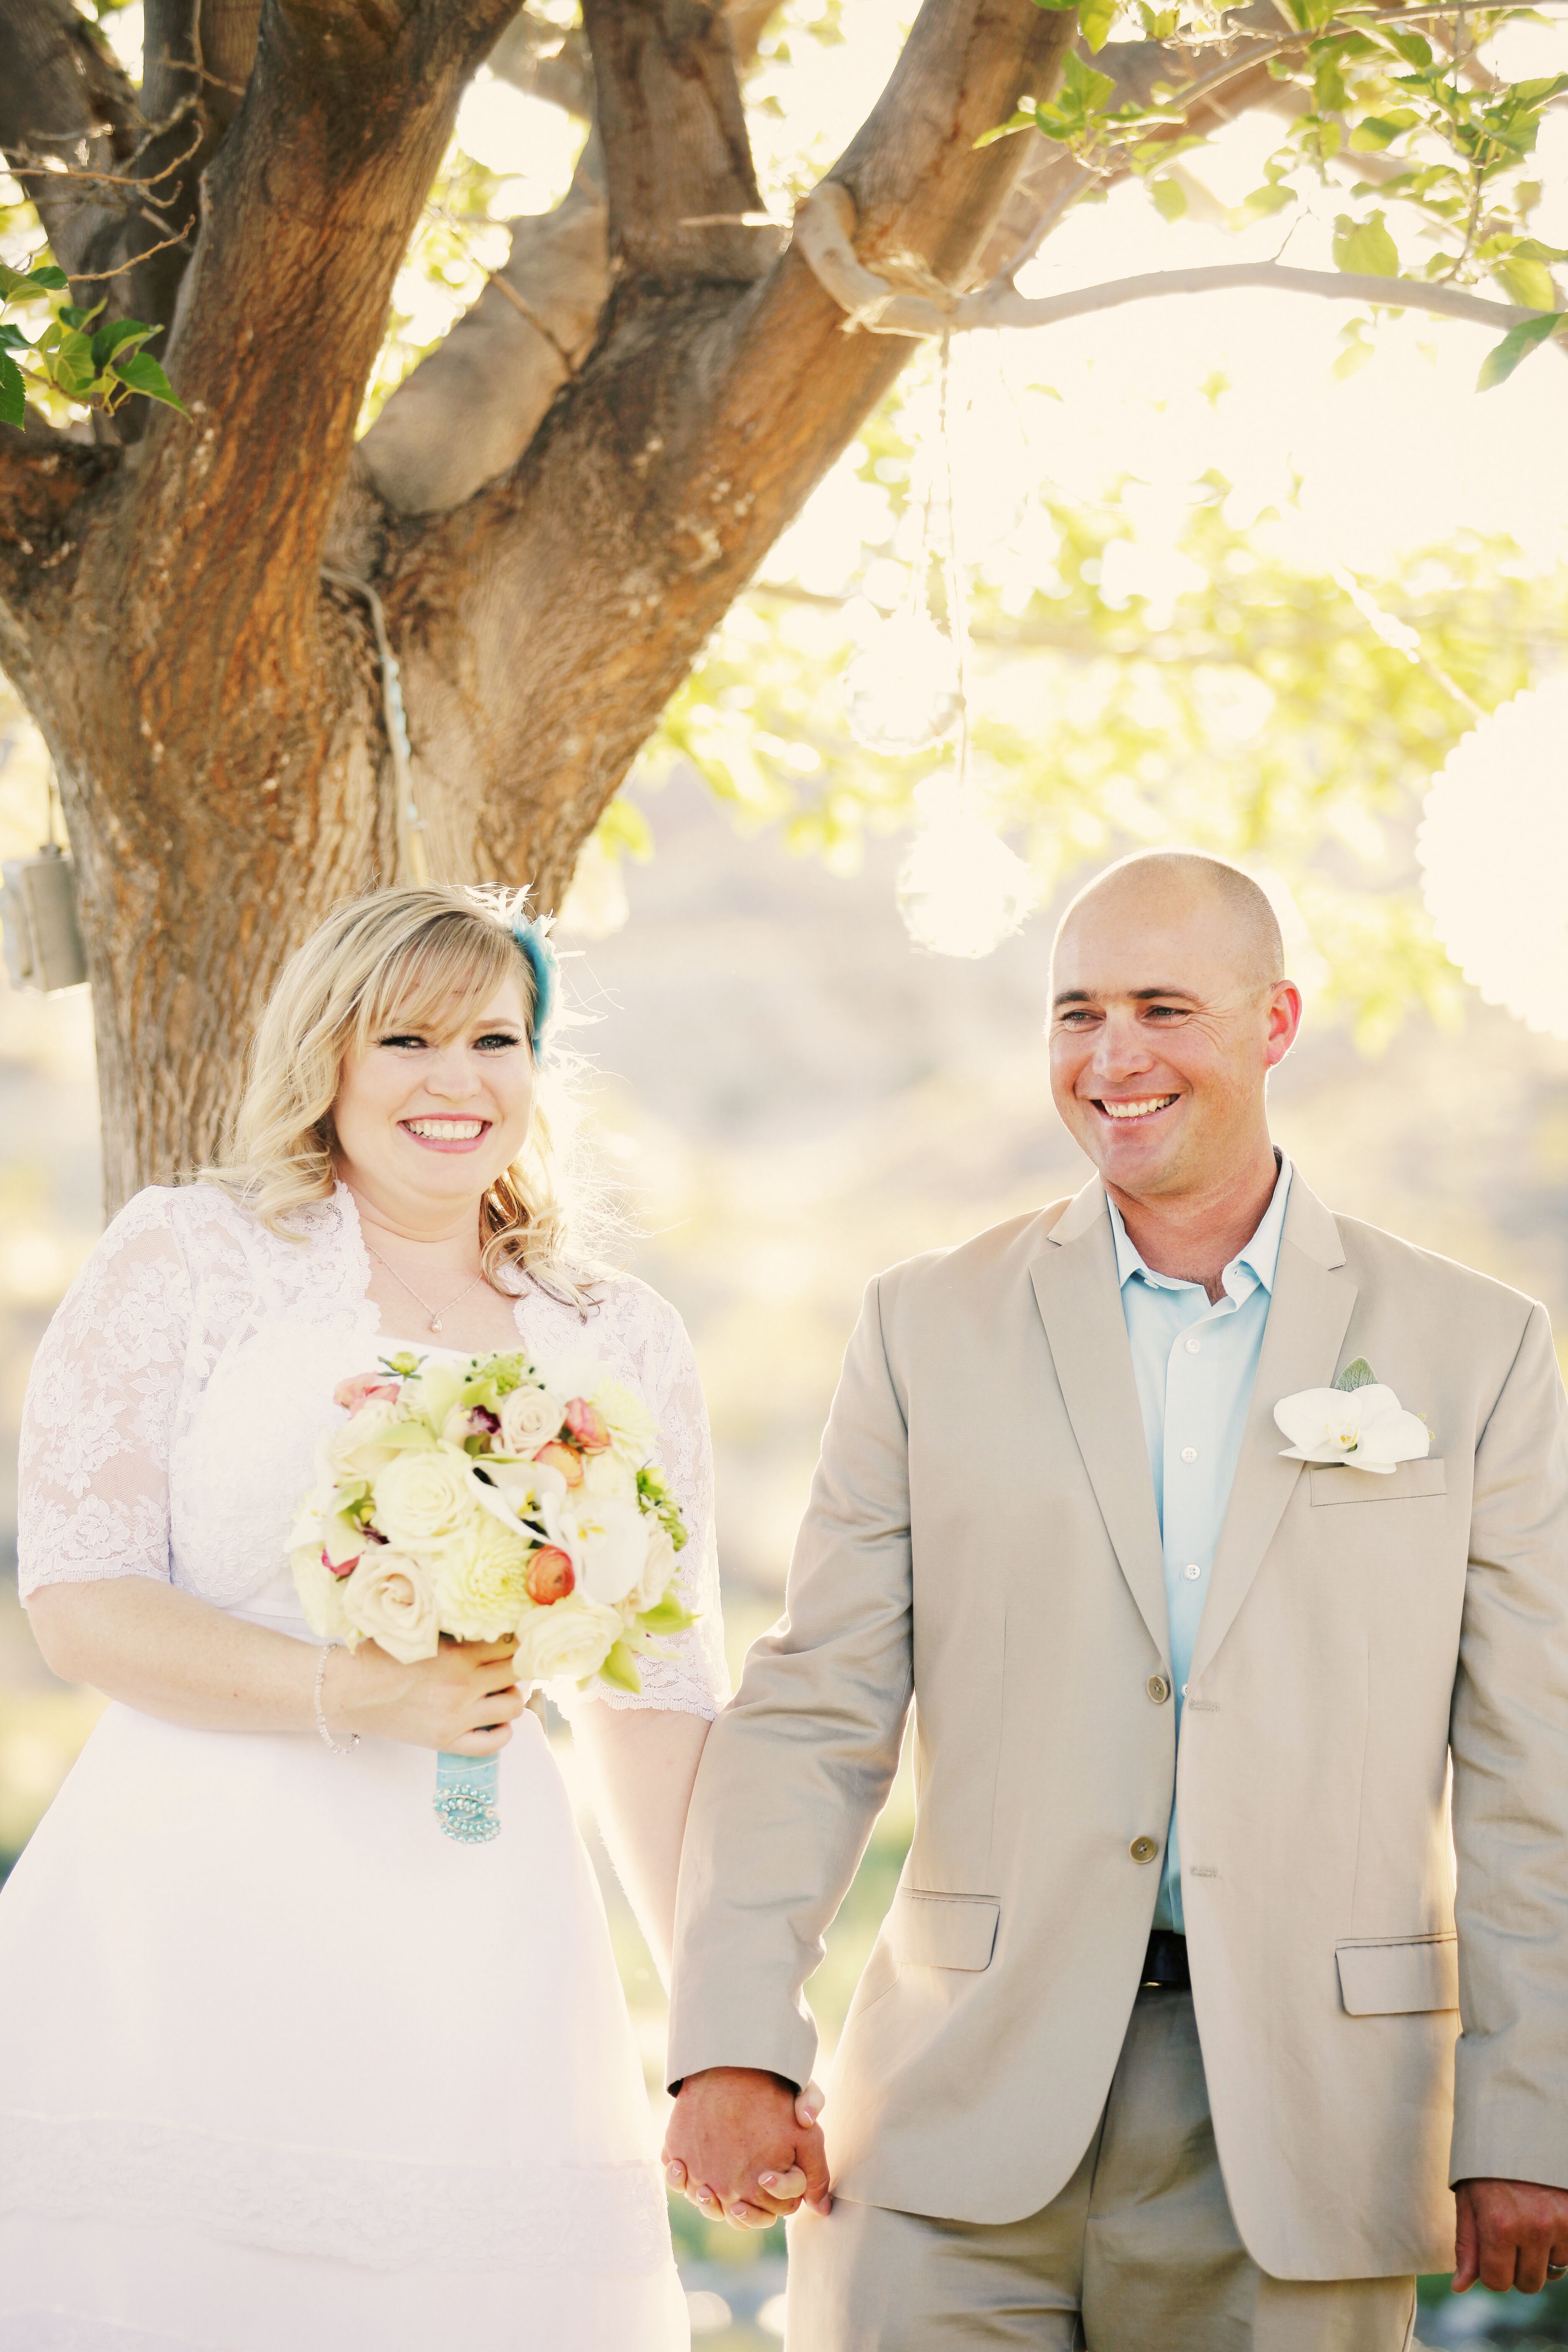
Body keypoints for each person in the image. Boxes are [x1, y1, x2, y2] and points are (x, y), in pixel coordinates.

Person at [663, 849, 1568, 2350]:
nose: (1113, 1056)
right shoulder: (922, 1324)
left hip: (1311, 2127)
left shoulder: (1479, 1348)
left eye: (1163, 1007)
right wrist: (730, 2047)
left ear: (1275, 1024)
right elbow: (817, 1703)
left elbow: (1532, 1761)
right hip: (953, 2121)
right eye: (1077, 1013)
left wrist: (1529, 2104)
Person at [0, 884, 756, 2349]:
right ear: (327, 1059)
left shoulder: (617, 1338)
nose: (456, 1080)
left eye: (495, 1038)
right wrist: (353, 1693)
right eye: (405, 1038)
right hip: (186, 1907)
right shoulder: (192, 1258)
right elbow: (81, 1603)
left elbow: (657, 1707)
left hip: (482, 1921)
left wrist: (722, 2047)